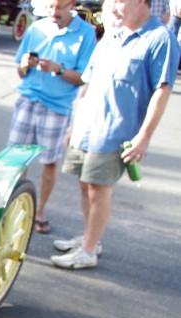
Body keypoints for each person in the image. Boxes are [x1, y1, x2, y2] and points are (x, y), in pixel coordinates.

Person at [51, 0, 180, 269]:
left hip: (116, 130)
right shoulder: (113, 35)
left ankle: (88, 251)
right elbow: (88, 81)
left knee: (99, 187)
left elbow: (162, 90)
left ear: (144, 3)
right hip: (87, 126)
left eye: (122, 1)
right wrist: (74, 124)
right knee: (85, 184)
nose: (115, 6)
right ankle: (90, 239)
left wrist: (143, 137)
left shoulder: (160, 37)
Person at [7, 0, 96, 234]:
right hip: (28, 99)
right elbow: (19, 70)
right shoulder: (37, 28)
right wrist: (25, 65)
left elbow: (85, 77)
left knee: (49, 162)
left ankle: (39, 212)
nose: (54, 13)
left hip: (56, 106)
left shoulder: (85, 33)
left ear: (72, 5)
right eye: (50, 7)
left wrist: (58, 69)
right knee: (17, 159)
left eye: (59, 8)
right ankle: (14, 206)